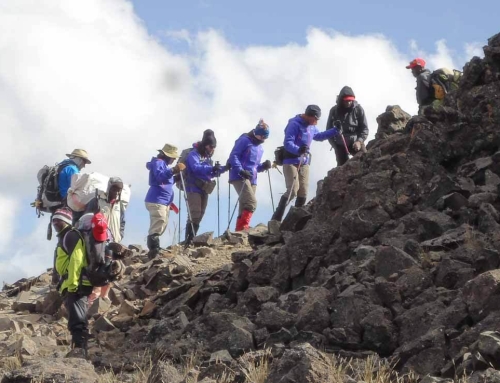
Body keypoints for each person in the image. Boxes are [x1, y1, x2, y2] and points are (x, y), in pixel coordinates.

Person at [271, 105, 340, 222]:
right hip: (290, 161)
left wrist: (335, 130)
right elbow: (287, 143)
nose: (316, 122)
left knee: (303, 191)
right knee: (293, 190)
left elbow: (319, 136)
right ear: (309, 116)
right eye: (316, 119)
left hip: (304, 161)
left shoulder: (311, 126)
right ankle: (276, 219)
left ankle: (294, 221)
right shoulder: (294, 124)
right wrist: (298, 150)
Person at [52, 208, 93, 358]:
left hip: (76, 284)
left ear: (67, 221)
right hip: (72, 283)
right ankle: (78, 349)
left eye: (58, 220)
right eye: (53, 220)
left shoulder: (71, 235)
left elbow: (76, 260)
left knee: (78, 319)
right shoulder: (66, 236)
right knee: (76, 317)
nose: (55, 223)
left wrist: (73, 285)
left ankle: (80, 351)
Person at [84, 177, 126, 304]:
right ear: (109, 187)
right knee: (99, 265)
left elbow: (122, 221)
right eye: (114, 188)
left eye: (119, 189)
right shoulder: (97, 201)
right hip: (99, 239)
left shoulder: (120, 205)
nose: (116, 192)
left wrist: (120, 234)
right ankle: (94, 294)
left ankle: (104, 295)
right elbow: (87, 218)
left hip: (115, 240)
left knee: (112, 267)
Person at [184, 130, 226, 246]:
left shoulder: (207, 158)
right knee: (195, 213)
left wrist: (222, 169)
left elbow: (209, 173)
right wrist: (211, 169)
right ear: (205, 144)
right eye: (211, 146)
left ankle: (191, 239)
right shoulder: (194, 154)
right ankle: (188, 240)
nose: (212, 149)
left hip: (204, 188)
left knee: (201, 214)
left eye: (214, 147)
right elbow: (195, 168)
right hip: (193, 187)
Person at [228, 119, 271, 231]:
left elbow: (254, 166)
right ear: (256, 132)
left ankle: (239, 231)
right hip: (239, 176)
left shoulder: (260, 148)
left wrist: (263, 166)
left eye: (265, 137)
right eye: (261, 136)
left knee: (244, 205)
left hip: (252, 179)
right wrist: (240, 170)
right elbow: (234, 156)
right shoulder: (244, 140)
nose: (263, 139)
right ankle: (244, 228)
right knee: (251, 203)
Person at [145, 144, 185, 259]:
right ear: (167, 155)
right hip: (157, 200)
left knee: (161, 224)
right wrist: (173, 170)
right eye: (173, 157)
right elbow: (159, 177)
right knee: (159, 222)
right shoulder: (158, 163)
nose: (174, 160)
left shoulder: (162, 164)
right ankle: (154, 251)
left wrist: (175, 176)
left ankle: (155, 249)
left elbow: (165, 182)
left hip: (162, 201)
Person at [325, 86, 369, 166]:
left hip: (356, 142)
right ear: (341, 100)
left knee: (366, 160)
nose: (349, 103)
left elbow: (364, 128)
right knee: (342, 168)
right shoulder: (334, 111)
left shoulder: (358, 109)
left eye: (350, 100)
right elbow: (328, 131)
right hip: (340, 145)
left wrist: (359, 141)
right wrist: (335, 146)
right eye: (346, 100)